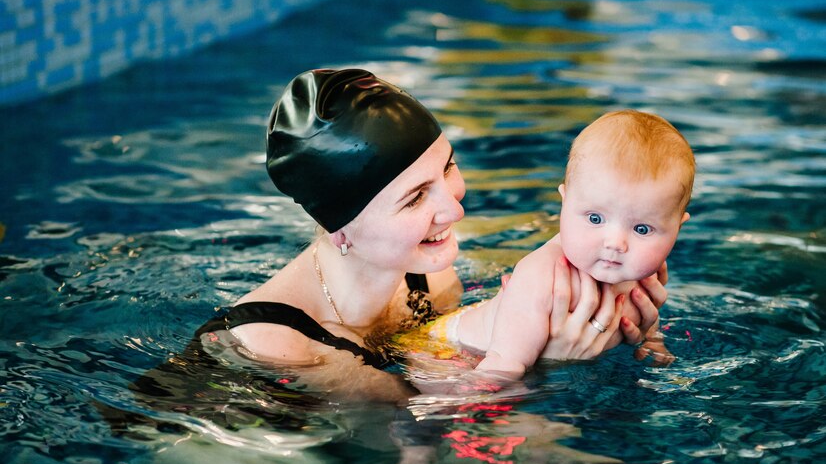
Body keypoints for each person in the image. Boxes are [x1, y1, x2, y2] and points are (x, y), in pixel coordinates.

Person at [216, 69, 667, 392]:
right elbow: (409, 436)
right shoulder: (274, 344)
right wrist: (552, 365)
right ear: (340, 227)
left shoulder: (428, 277)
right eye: (414, 198)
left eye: (448, 167)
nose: (453, 208)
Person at [437, 110, 692, 377]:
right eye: (595, 218)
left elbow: (645, 316)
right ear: (565, 202)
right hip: (450, 353)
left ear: (676, 228)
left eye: (642, 228)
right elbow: (502, 367)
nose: (616, 243)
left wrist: (652, 339)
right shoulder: (540, 277)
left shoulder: (641, 269)